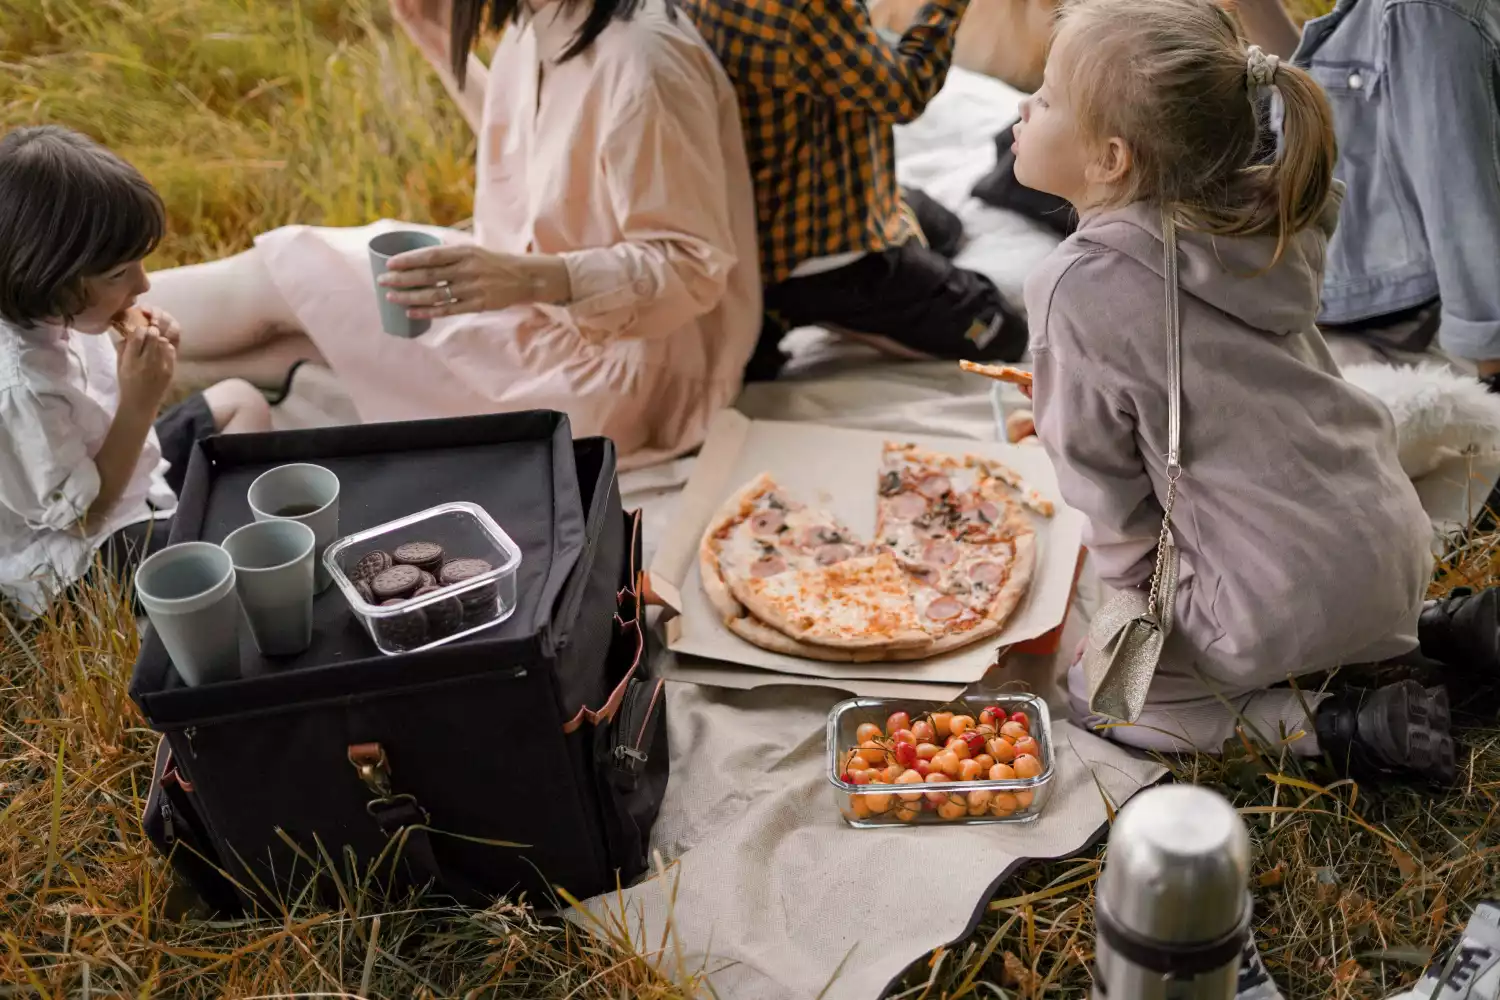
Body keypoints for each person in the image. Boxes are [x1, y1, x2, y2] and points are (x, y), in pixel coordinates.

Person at [1010, 0, 1482, 784]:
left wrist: (1131, 609)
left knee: (1106, 696)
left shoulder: (1071, 288)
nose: (1025, 107)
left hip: (1271, 602)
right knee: (1310, 581)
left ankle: (1336, 727)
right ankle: (1449, 632)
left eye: (1047, 97)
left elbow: (1104, 491)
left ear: (1112, 159)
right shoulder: (1271, 211)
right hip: (1393, 547)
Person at [143, 0, 760, 470]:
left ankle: (68, 309)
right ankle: (85, 370)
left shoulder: (642, 60)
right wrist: (443, 51)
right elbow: (534, 152)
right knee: (298, 335)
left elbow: (690, 266)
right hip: (541, 307)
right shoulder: (543, 19)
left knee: (286, 285)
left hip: (624, 374)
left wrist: (526, 278)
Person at [0, 127, 272, 618]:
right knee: (224, 556)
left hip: (132, 478)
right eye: (118, 275)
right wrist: (141, 400)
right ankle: (202, 546)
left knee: (240, 399)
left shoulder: (66, 313)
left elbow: (102, 402)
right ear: (45, 281)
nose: (143, 285)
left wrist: (142, 351)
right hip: (80, 559)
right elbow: (83, 518)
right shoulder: (20, 388)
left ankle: (203, 520)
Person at [680, 0, 1027, 382]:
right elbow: (904, 93)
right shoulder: (805, 9)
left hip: (783, 200)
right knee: (1002, 330)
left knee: (947, 228)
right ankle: (818, 305)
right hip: (821, 252)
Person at [1236, 0, 1500, 376]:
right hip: (1356, 324)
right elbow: (1322, 98)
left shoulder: (1422, 15)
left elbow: (1463, 206)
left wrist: (1491, 381)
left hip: (1404, 351)